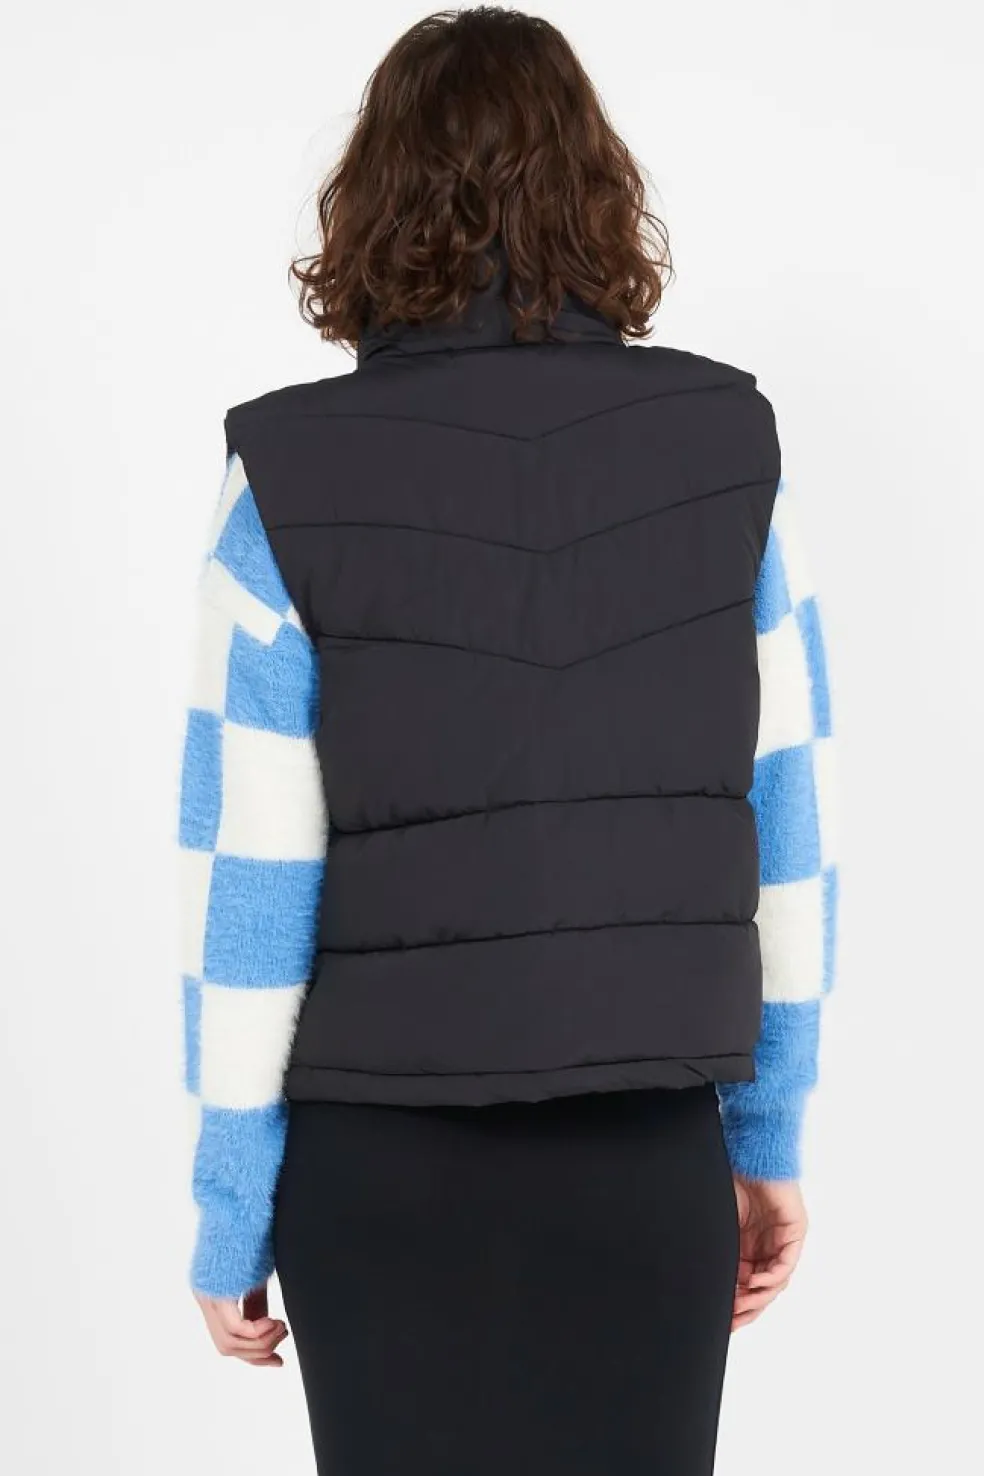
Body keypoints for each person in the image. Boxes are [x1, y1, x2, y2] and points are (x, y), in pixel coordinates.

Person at [177, 8, 837, 1473]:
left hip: (376, 1168)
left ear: (372, 204)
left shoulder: (287, 473)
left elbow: (248, 872)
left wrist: (230, 1205)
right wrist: (767, 1137)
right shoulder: (725, 450)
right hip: (641, 1156)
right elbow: (789, 825)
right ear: (597, 192)